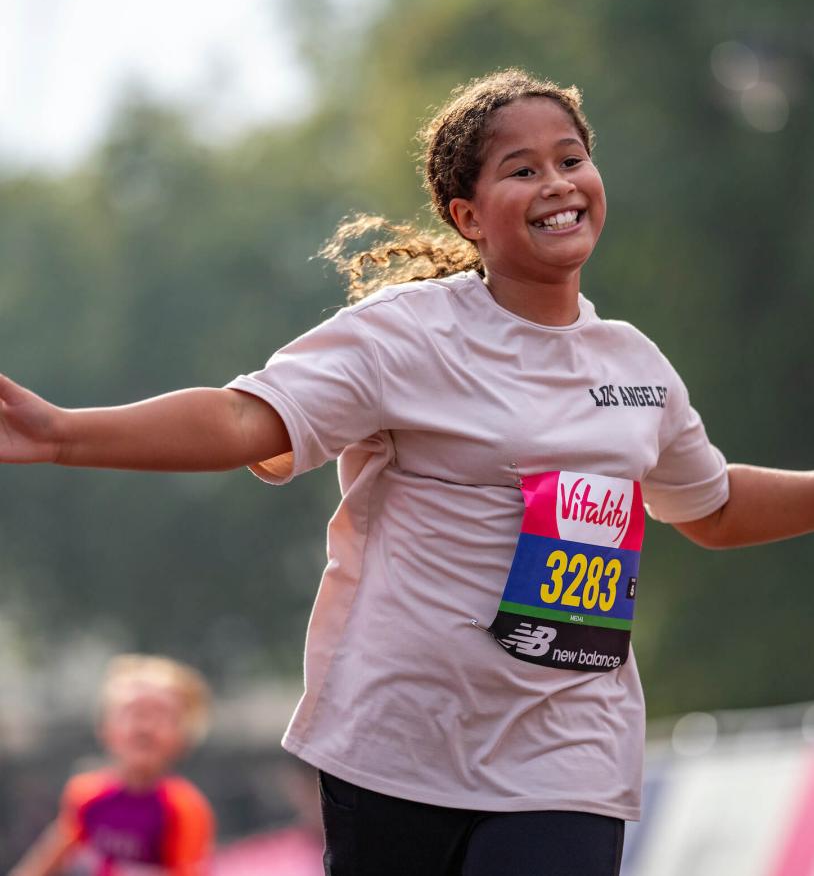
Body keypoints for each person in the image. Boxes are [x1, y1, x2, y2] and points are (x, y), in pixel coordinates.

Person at [1, 68, 812, 876]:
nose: (557, 184)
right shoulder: (408, 337)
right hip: (398, 748)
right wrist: (63, 433)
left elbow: (714, 507)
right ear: (467, 217)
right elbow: (247, 418)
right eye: (522, 170)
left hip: (570, 757)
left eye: (571, 160)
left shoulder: (637, 369)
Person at [11, 655, 215, 876]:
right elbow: (49, 858)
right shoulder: (86, 794)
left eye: (160, 714)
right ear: (104, 729)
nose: (144, 726)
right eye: (132, 712)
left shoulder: (183, 808)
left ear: (183, 739)